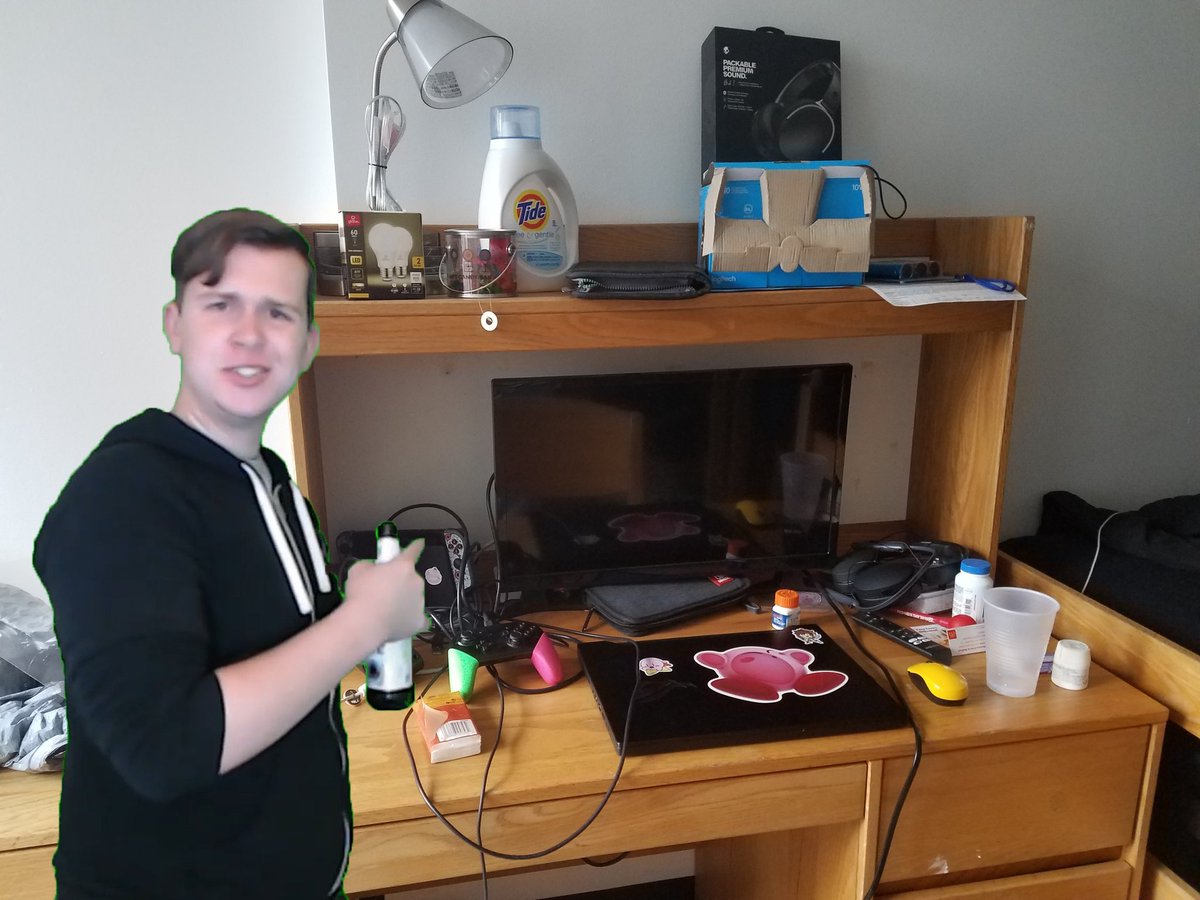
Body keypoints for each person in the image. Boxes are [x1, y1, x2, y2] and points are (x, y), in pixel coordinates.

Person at [33, 208, 427, 898]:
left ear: (308, 344)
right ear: (175, 326)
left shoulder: (271, 482)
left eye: (278, 312)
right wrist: (363, 622)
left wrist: (357, 613)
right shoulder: (122, 495)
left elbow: (275, 656)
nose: (249, 333)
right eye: (221, 304)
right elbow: (162, 747)